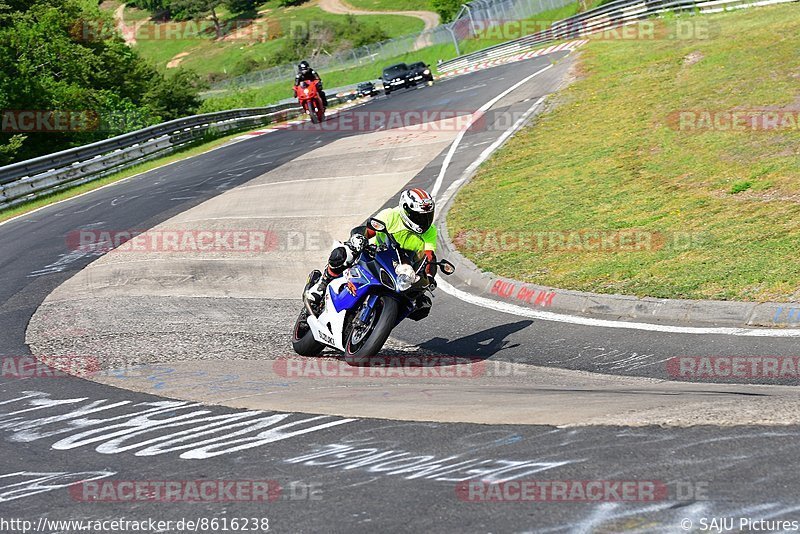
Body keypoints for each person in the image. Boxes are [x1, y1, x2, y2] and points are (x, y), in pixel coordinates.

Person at [305, 188, 439, 317]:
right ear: (405, 210)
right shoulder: (391, 215)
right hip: (376, 253)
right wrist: (359, 239)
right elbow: (367, 230)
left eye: (427, 216)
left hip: (401, 268)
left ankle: (378, 320)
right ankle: (322, 283)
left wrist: (429, 277)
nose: (424, 221)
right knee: (343, 254)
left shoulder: (430, 231)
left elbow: (429, 256)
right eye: (419, 216)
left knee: (421, 305)